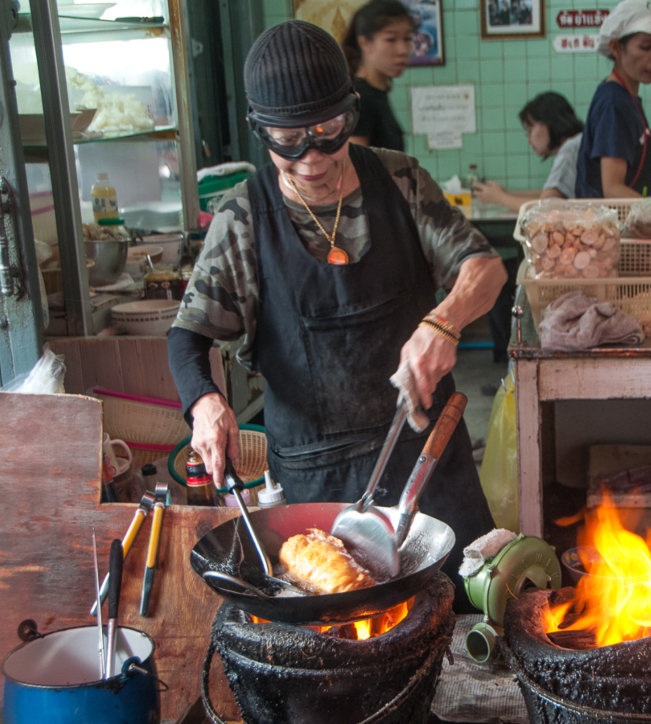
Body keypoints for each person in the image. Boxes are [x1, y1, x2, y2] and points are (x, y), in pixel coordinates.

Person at [168, 21, 506, 609]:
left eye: (327, 132)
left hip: (426, 463)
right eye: (287, 140)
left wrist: (444, 321)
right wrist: (205, 402)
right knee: (341, 647)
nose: (312, 158)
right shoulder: (244, 220)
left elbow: (487, 268)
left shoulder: (399, 181)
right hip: (316, 486)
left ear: (350, 113)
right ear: (259, 130)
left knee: (466, 620)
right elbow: (187, 338)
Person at [574, 0, 651, 199]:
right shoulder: (614, 104)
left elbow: (624, 168)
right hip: (610, 226)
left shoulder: (625, 98)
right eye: (646, 47)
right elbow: (613, 189)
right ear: (615, 48)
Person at [472, 92, 585, 212]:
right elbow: (549, 195)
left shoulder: (570, 150)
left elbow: (545, 208)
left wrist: (499, 197)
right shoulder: (578, 143)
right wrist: (505, 193)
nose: (529, 141)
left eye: (530, 131)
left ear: (547, 125)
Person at [343, 0, 415, 151]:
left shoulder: (377, 94)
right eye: (391, 39)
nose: (402, 50)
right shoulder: (360, 99)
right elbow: (353, 168)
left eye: (407, 39)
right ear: (365, 43)